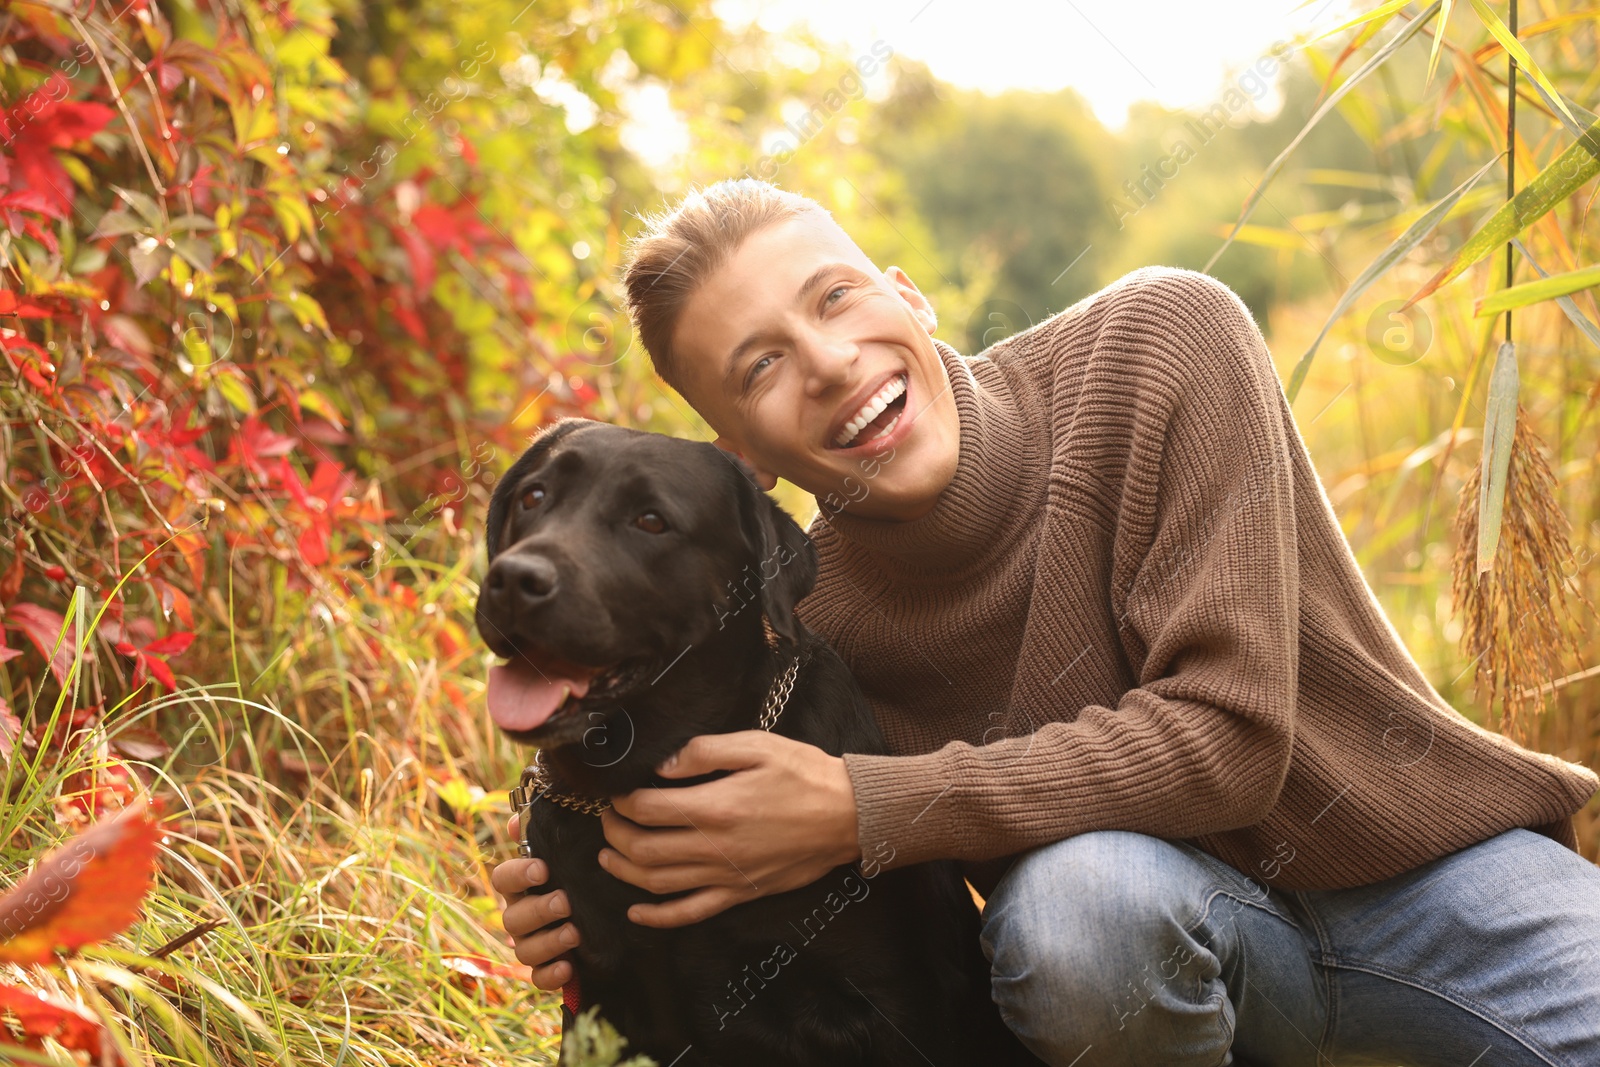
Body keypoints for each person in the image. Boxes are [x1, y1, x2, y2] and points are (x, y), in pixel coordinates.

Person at [490, 179, 1600, 1066]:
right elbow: (649, 731)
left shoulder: (1158, 343)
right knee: (1078, 916)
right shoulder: (793, 613)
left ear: (906, 293)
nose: (829, 363)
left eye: (833, 299)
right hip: (1134, 952)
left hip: (1435, 880)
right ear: (739, 452)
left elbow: (1232, 739)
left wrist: (863, 804)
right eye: (763, 366)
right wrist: (564, 884)